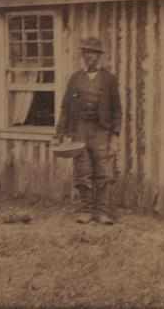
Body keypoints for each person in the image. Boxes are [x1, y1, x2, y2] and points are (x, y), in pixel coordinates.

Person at [53, 37, 122, 225]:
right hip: (80, 129)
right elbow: (65, 108)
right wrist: (59, 134)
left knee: (104, 171)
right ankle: (86, 210)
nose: (89, 56)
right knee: (82, 171)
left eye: (93, 53)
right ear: (82, 55)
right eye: (86, 52)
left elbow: (117, 110)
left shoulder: (109, 79)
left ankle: (103, 211)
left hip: (101, 131)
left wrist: (115, 136)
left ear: (99, 56)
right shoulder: (75, 78)